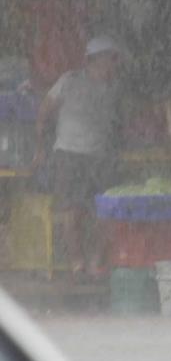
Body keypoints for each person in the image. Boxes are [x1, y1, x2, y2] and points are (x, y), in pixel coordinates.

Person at [34, 35, 123, 276]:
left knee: (102, 212)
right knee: (71, 211)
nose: (114, 65)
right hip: (68, 155)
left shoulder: (114, 88)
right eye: (111, 59)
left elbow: (116, 124)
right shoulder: (69, 81)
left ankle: (95, 261)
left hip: (99, 157)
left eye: (115, 60)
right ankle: (76, 263)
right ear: (94, 60)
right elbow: (44, 111)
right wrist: (40, 148)